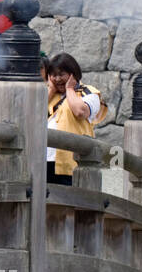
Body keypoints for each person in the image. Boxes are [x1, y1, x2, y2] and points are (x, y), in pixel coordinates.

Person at [44, 53, 108, 185]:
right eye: (53, 75)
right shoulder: (49, 94)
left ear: (73, 73)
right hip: (43, 161)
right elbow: (34, 114)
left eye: (61, 74)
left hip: (72, 164)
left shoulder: (88, 92)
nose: (57, 79)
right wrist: (50, 89)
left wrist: (69, 88)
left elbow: (80, 111)